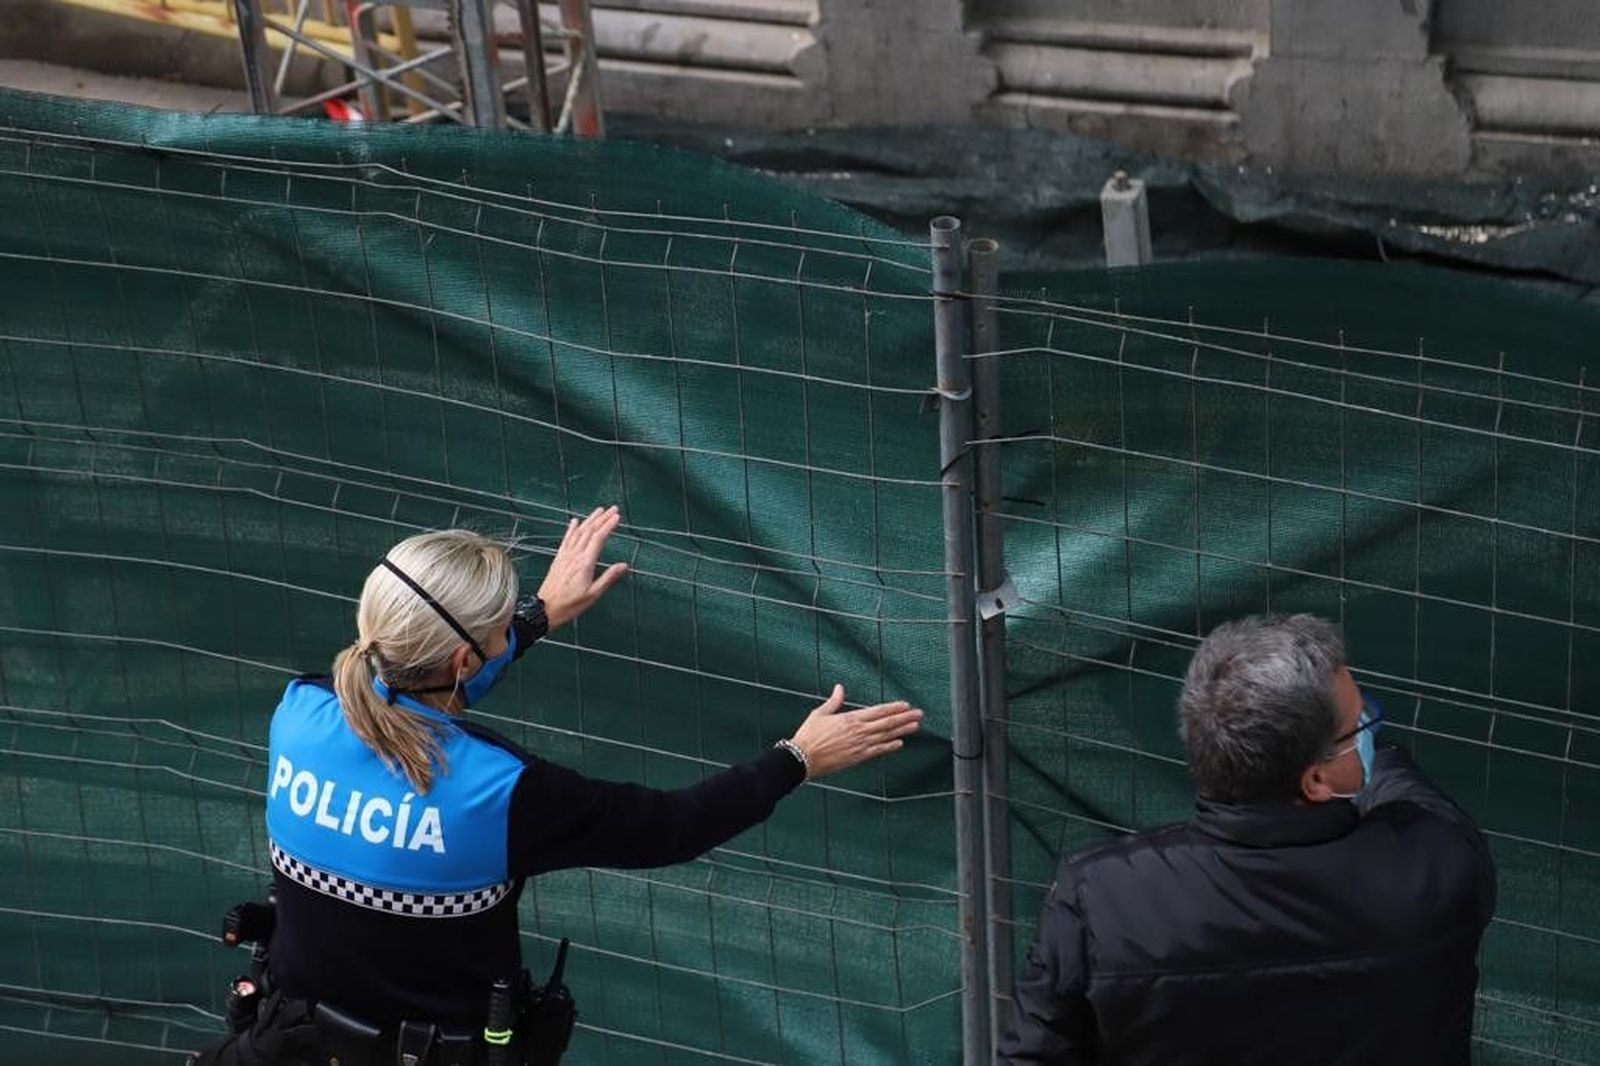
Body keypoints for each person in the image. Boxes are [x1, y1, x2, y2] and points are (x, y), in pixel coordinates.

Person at [196, 507, 923, 1065]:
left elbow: (411, 705)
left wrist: (535, 618)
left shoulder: (300, 710)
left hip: (275, 1046)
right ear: (461, 659)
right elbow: (672, 827)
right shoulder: (504, 792)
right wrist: (798, 757)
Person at [999, 614, 1496, 1066]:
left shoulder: (1099, 898)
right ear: (1316, 780)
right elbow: (1422, 806)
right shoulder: (1438, 864)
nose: (1369, 732)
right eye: (1361, 726)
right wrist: (1377, 755)